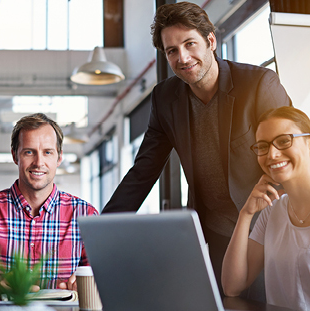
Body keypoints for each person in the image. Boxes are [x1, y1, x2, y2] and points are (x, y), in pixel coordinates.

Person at [102, 1, 291, 292]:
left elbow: (292, 159)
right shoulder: (165, 99)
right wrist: (101, 234)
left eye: (190, 44)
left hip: (265, 233)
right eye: (172, 51)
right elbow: (142, 173)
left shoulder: (258, 85)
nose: (183, 57)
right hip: (213, 238)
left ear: (210, 41)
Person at [0, 113, 98, 297]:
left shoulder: (85, 215)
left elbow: (105, 276)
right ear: (15, 155)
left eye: (47, 152)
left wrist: (88, 283)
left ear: (59, 158)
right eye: (29, 152)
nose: (39, 162)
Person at [222, 106, 310, 311]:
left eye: (283, 141)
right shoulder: (272, 211)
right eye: (263, 146)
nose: (272, 154)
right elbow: (232, 287)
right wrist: (246, 214)